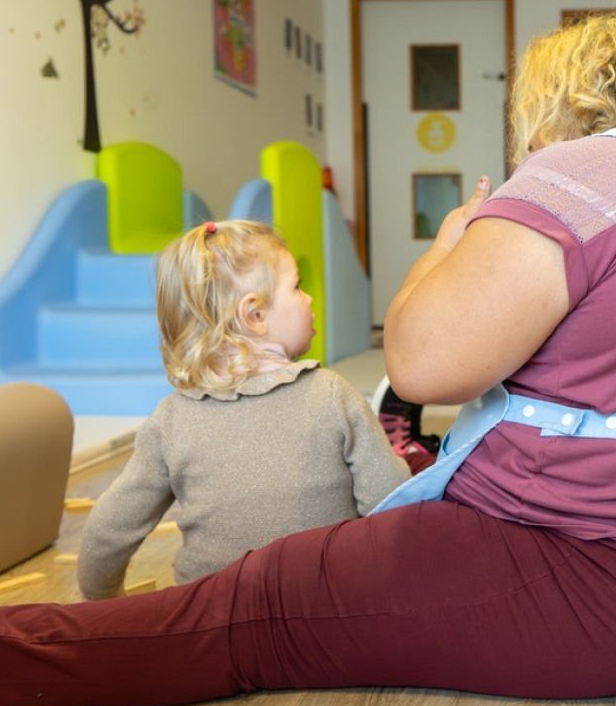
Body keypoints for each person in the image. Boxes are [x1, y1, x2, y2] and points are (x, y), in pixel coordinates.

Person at [0, 12, 616, 706]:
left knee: (260, 602)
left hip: (597, 570)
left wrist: (449, 245)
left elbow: (419, 364)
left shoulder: (593, 171)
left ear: (561, 102)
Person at [77, 220, 411, 599]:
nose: (309, 299)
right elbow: (391, 503)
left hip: (212, 626)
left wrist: (104, 602)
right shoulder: (331, 394)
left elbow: (108, 529)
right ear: (255, 315)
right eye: (297, 286)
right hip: (327, 614)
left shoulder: (170, 420)